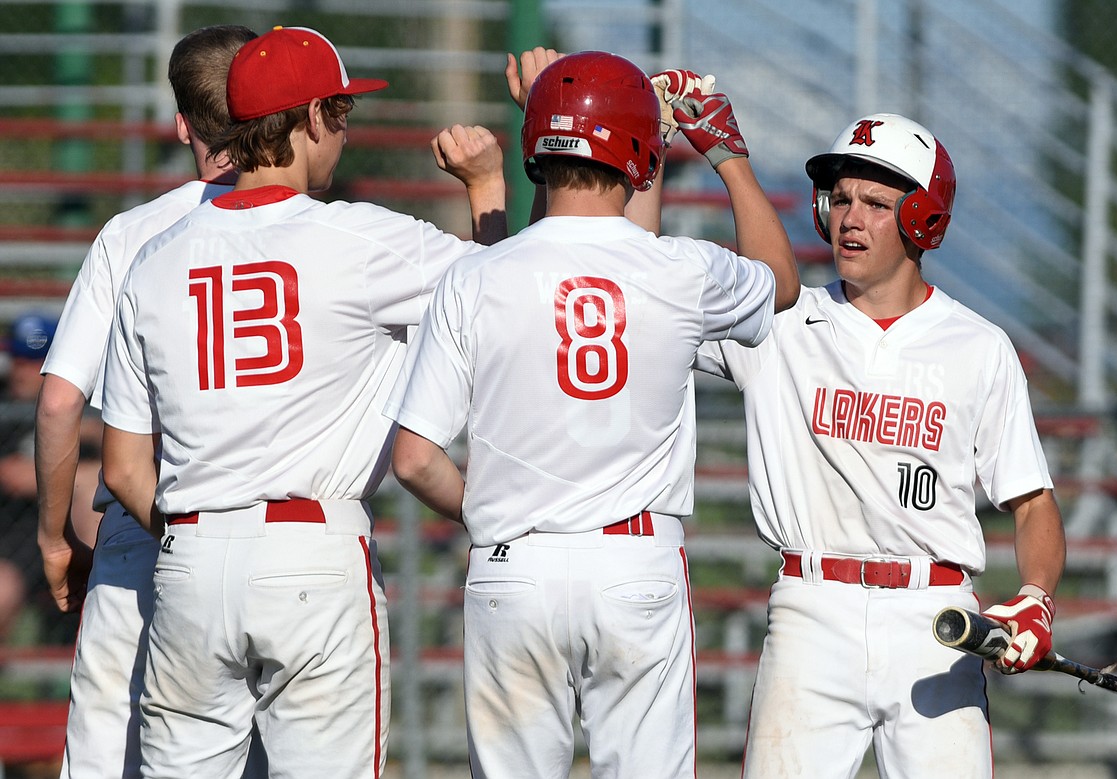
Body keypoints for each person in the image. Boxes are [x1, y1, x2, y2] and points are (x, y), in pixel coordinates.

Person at [99, 25, 508, 779]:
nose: (344, 133)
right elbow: (501, 302)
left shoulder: (150, 259)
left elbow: (124, 468)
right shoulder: (356, 237)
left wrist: (208, 531)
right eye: (341, 114)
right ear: (309, 118)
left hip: (188, 552)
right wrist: (485, 187)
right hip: (312, 553)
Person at [386, 50, 800, 779]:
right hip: (633, 562)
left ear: (534, 150)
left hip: (513, 562)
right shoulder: (682, 268)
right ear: (641, 156)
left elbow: (415, 457)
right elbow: (783, 284)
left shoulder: (475, 275)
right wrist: (728, 156)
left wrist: (489, 508)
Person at [694, 112, 1067, 778]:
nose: (849, 217)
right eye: (839, 199)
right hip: (811, 607)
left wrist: (1037, 594)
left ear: (924, 220)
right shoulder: (781, 322)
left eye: (875, 202)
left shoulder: (979, 347)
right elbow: (649, 296)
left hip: (936, 618)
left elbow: (1034, 503)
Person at [34, 26, 271, 779]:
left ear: (181, 124)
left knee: (109, 758)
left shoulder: (131, 233)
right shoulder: (324, 227)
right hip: (275, 532)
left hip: (147, 525)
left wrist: (52, 539)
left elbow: (58, 404)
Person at [3, 311, 97, 646]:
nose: (23, 371)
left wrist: (56, 471)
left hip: (67, 531)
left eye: (34, 360)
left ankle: (96, 621)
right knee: (3, 589)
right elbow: (14, 476)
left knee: (90, 491)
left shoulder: (82, 407)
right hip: (12, 542)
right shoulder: (4, 404)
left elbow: (113, 464)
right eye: (18, 358)